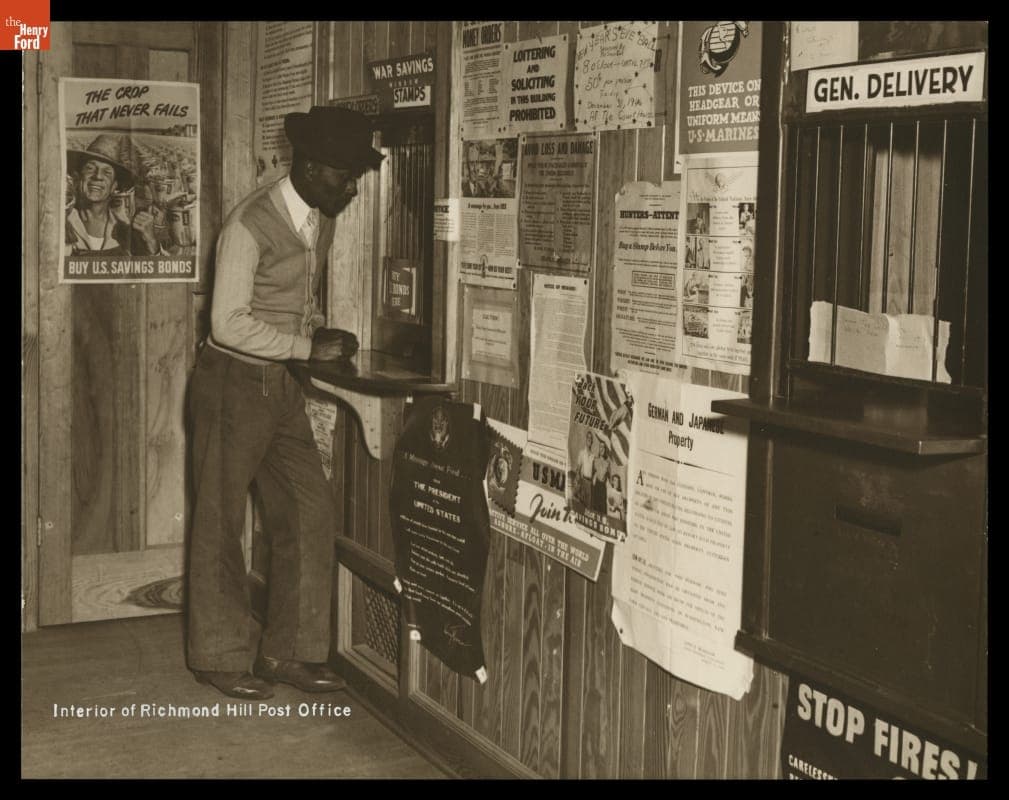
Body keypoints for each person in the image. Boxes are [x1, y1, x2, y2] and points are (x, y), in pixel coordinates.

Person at [187, 106, 384, 700]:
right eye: (346, 176)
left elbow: (291, 299)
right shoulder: (249, 223)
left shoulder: (317, 220)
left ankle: (289, 653)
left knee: (310, 509)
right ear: (312, 166)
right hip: (231, 382)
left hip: (280, 388)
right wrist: (306, 347)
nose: (353, 188)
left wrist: (322, 331)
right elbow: (226, 323)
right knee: (220, 520)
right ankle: (217, 655)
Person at [65, 134, 160, 256]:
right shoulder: (63, 221)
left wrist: (151, 241)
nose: (97, 176)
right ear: (78, 177)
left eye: (107, 172)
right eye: (90, 168)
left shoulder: (126, 227)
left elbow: (153, 271)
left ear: (114, 186)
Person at [573, 430, 595, 508]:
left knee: (588, 506)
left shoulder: (593, 456)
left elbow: (594, 471)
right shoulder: (581, 453)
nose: (589, 439)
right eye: (588, 437)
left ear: (592, 441)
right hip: (583, 481)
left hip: (590, 484)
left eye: (591, 438)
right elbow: (578, 468)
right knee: (581, 505)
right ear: (585, 440)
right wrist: (576, 480)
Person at [592, 441, 610, 514]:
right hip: (596, 487)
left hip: (603, 488)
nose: (602, 449)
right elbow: (592, 475)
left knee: (602, 510)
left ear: (605, 450)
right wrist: (595, 474)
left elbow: (609, 478)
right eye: (600, 447)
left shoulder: (608, 463)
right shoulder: (595, 460)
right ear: (599, 449)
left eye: (603, 447)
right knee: (595, 508)